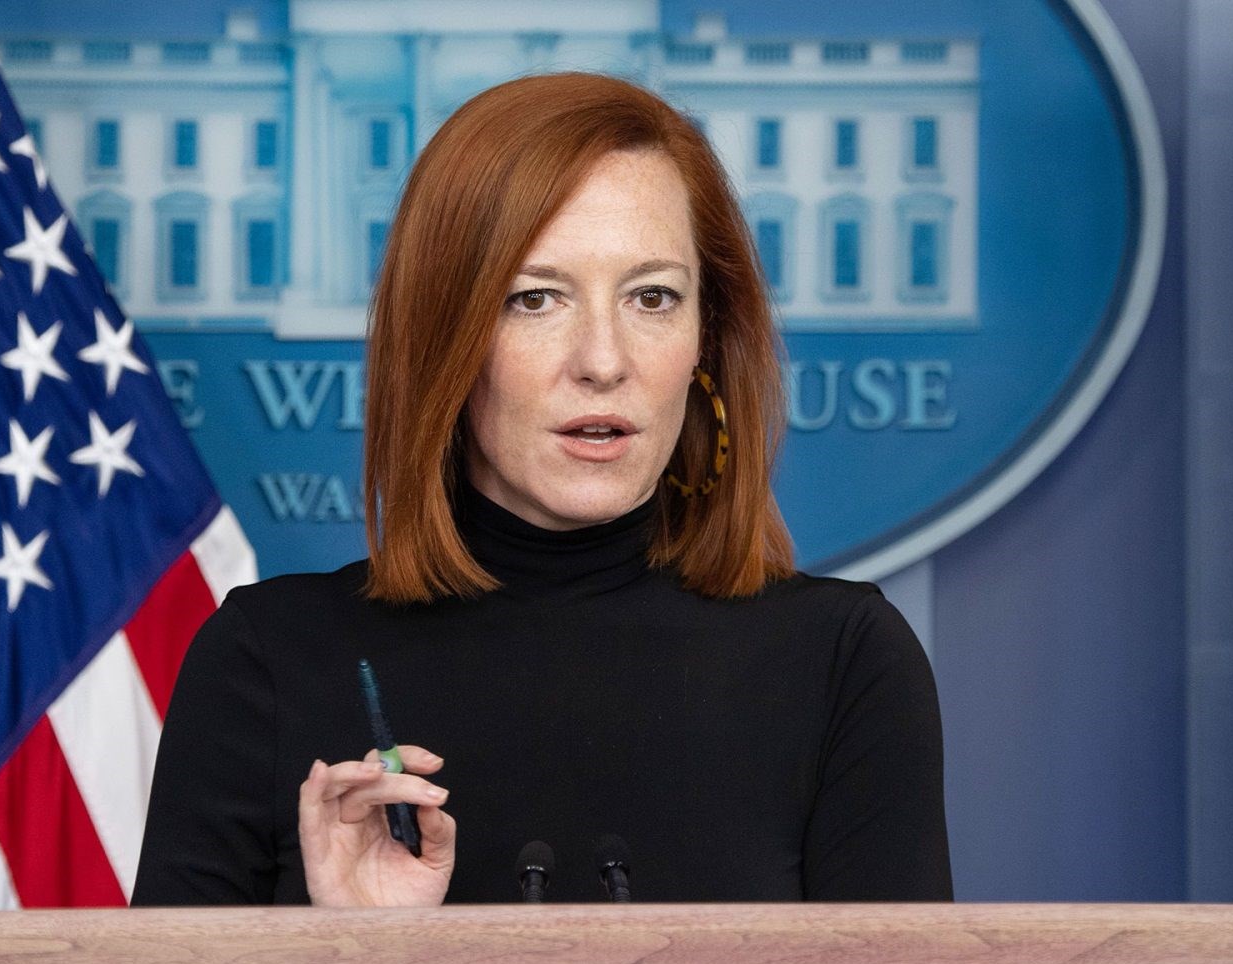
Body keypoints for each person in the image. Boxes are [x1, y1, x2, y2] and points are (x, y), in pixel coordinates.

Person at [132, 71, 951, 909]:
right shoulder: (263, 663)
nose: (603, 359)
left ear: (709, 333)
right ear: (445, 334)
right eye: (535, 299)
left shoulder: (844, 662)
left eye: (653, 296)